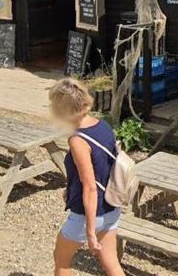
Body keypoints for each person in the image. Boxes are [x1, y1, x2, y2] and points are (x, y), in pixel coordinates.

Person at [49, 78, 125, 276]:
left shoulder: (78, 140)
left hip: (89, 214)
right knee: (111, 263)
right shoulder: (103, 126)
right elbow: (103, 168)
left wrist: (90, 232)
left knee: (62, 260)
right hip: (111, 207)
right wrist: (70, 189)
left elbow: (90, 187)